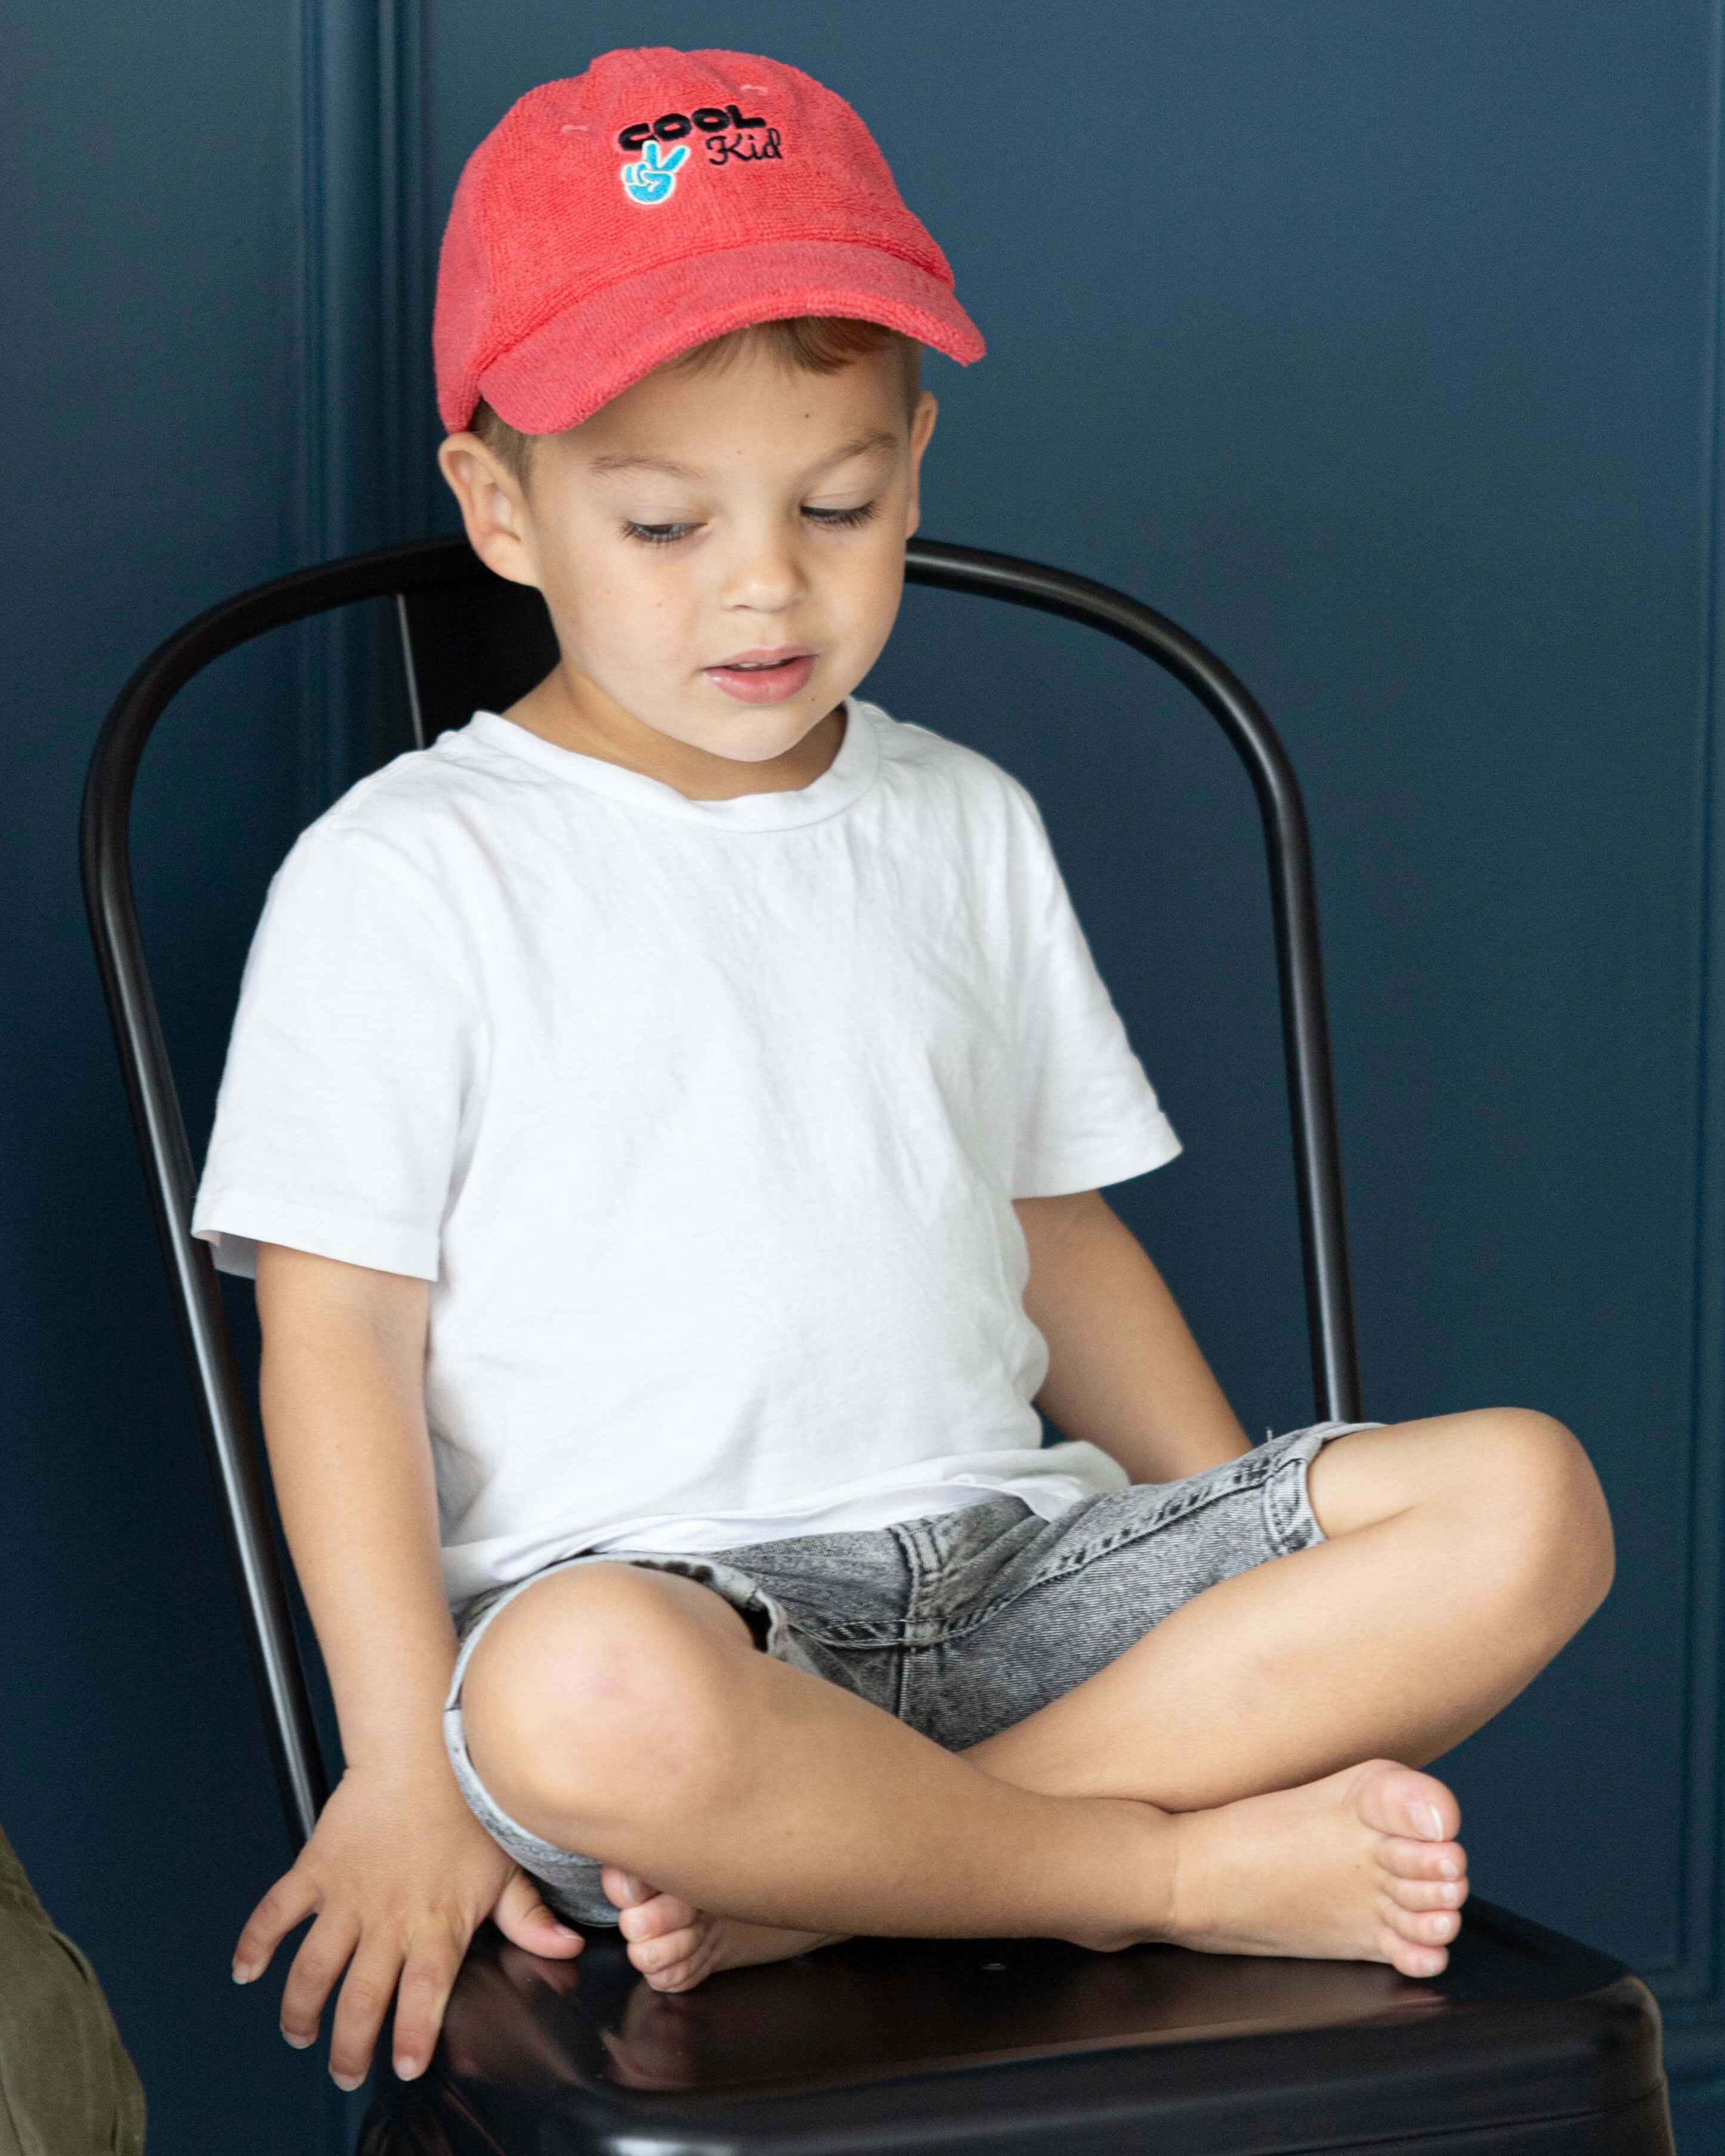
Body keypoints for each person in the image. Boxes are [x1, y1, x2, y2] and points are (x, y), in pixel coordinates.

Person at [194, 46, 1615, 2098]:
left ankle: (889, 1878)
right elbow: (332, 1344)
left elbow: (1049, 1232)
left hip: (1017, 1575)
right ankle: (1139, 1871)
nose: (764, 581)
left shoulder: (960, 819)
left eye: (836, 504)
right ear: (503, 508)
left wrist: (1231, 1539)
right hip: (692, 1644)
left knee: (1523, 1502)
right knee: (583, 1701)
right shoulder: (410, 873)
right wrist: (395, 1762)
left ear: (914, 471)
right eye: (666, 519)